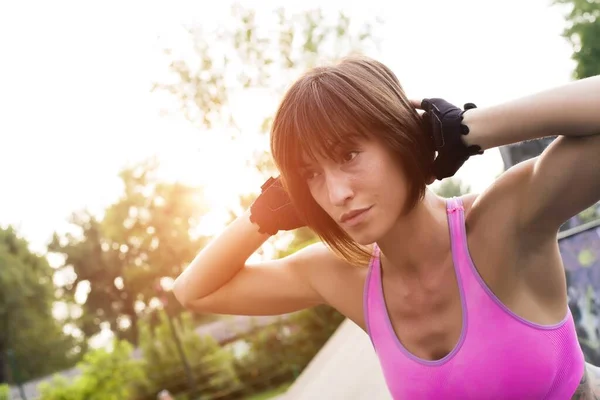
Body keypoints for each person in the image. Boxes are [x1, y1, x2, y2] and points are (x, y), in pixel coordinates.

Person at [172, 56, 600, 399]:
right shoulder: (345, 276)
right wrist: (265, 215)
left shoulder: (504, 220)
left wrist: (466, 128)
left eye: (348, 154)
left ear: (402, 136)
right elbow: (194, 290)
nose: (336, 192)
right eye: (310, 174)